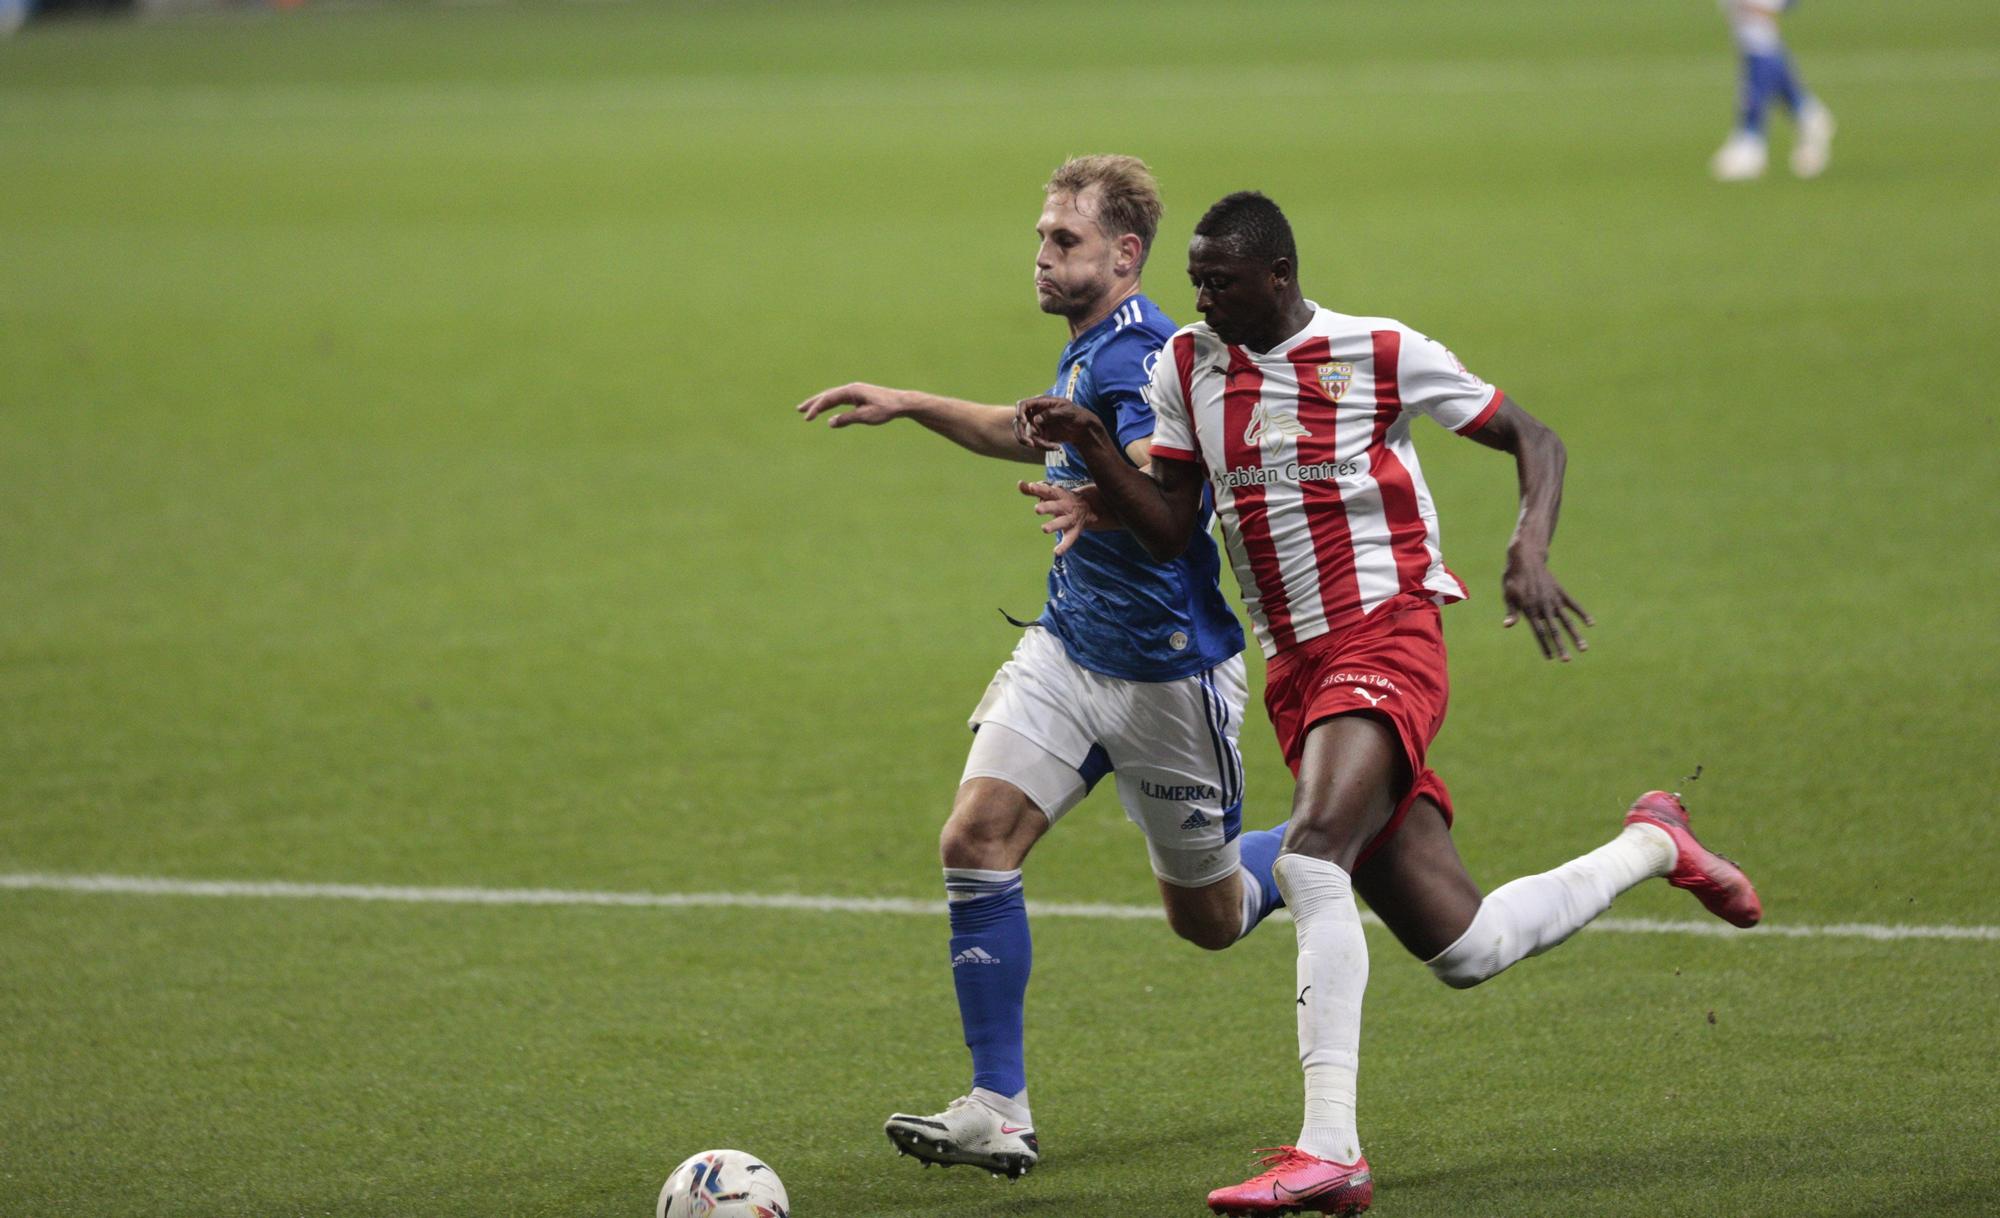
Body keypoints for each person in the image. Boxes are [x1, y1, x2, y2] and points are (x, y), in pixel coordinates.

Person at [1017, 191, 1763, 1216]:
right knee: (1464, 947)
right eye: (1193, 280)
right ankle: (1653, 843)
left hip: (1386, 633)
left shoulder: (1376, 351)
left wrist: (1524, 548)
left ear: (1275, 277)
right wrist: (1097, 449)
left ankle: (1331, 1151)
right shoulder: (1184, 366)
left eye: (1219, 282)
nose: (1199, 299)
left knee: (1312, 853)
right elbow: (1169, 529)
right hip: (1294, 671)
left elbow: (1534, 439)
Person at [794, 156, 1289, 1181]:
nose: (1041, 256)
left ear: (1124, 253)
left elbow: (1174, 511)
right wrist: (905, 400)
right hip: (1068, 648)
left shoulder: (1147, 355)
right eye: (1039, 236)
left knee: (1209, 921)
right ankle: (997, 1107)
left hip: (1164, 675)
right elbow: (1021, 434)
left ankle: (1350, 828)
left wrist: (1098, 498)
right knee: (975, 837)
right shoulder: (1087, 351)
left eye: (1062, 241)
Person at [1711, 0, 1835, 180]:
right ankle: (1808, 114)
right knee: (1776, 78)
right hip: (1753, 41)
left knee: (1754, 91)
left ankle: (1750, 145)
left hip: (1759, 42)